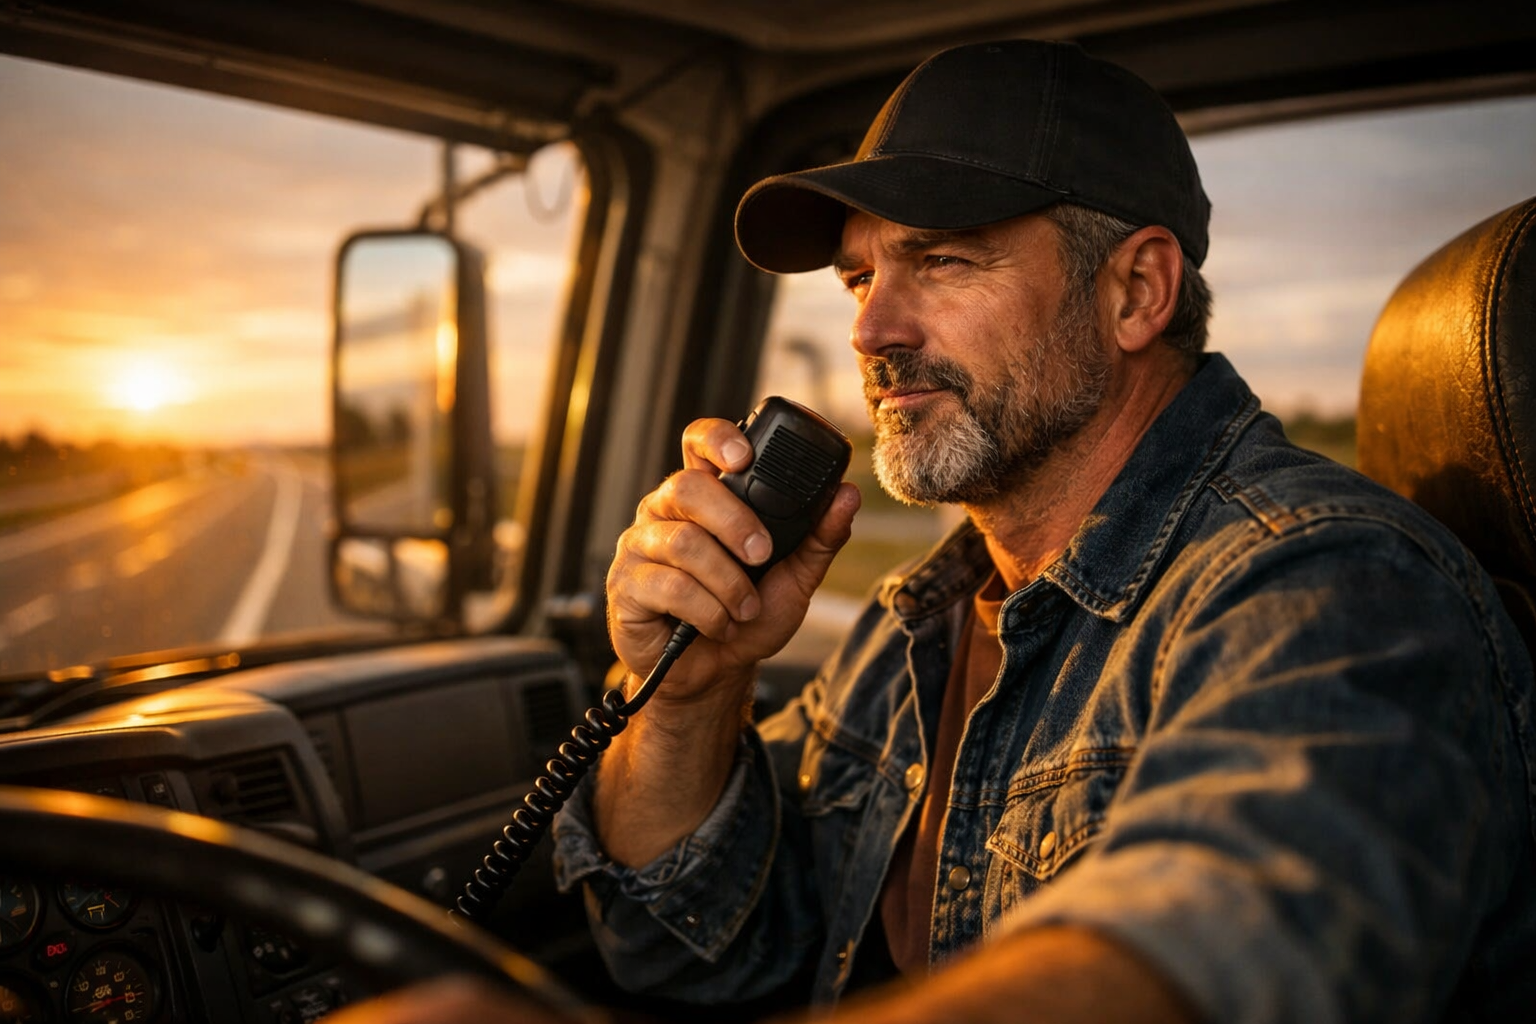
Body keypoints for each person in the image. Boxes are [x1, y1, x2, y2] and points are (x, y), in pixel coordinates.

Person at [335, 38, 1536, 1024]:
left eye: (941, 259)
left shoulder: (1328, 586)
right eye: (858, 277)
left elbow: (1218, 957)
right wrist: (693, 689)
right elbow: (692, 961)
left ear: (1136, 292)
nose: (869, 329)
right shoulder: (920, 616)